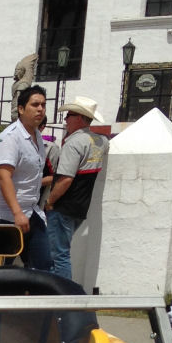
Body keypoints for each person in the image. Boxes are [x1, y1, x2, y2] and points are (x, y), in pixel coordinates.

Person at [0, 85, 53, 271]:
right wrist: (17, 212)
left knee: (43, 269)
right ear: (21, 109)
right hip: (4, 215)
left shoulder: (37, 136)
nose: (40, 109)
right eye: (35, 105)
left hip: (30, 212)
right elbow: (4, 177)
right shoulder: (10, 137)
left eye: (43, 105)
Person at [44, 96, 109, 280]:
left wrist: (49, 202)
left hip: (63, 206)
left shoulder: (74, 143)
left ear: (79, 118)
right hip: (80, 208)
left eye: (69, 115)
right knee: (60, 253)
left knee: (59, 256)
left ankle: (62, 294)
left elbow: (65, 179)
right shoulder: (100, 141)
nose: (65, 119)